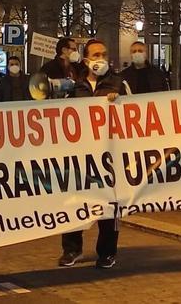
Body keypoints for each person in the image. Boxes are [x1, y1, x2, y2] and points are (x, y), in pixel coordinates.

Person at [57, 38, 124, 269]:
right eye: (96, 56)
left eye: (104, 55)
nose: (101, 60)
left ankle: (107, 252)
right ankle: (71, 250)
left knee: (109, 208)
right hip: (79, 156)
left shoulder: (118, 84)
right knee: (74, 203)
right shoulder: (75, 86)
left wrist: (121, 103)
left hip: (109, 157)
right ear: (86, 59)